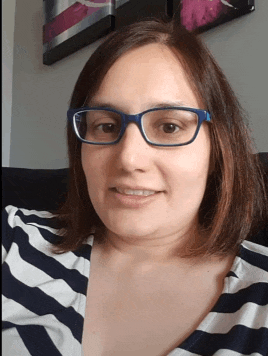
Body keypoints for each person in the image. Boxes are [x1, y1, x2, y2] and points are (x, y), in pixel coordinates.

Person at [2, 17, 268, 356]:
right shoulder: (14, 242)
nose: (129, 159)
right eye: (106, 125)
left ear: (219, 146)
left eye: (169, 126)